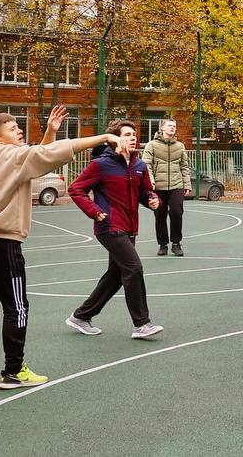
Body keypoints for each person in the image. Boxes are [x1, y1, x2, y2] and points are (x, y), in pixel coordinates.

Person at [0, 106, 128, 395]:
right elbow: (50, 153)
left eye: (18, 126)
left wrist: (50, 133)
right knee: (16, 308)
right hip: (1, 243)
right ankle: (14, 371)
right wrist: (105, 136)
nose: (19, 130)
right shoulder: (11, 155)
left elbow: (34, 160)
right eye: (12, 128)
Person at [66, 119, 165, 340]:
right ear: (115, 139)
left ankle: (81, 316)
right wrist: (93, 210)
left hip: (130, 228)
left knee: (116, 276)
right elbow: (76, 189)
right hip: (109, 226)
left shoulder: (139, 165)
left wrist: (152, 199)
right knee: (133, 268)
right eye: (127, 134)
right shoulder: (101, 164)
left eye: (134, 134)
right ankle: (142, 324)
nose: (133, 138)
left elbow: (146, 192)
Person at [142, 117, 191, 257]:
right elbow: (146, 165)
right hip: (158, 186)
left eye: (174, 126)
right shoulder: (151, 145)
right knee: (160, 215)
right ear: (162, 128)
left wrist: (186, 184)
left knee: (176, 212)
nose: (172, 128)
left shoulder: (180, 146)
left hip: (176, 185)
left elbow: (184, 167)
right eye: (169, 125)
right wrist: (150, 181)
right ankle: (162, 244)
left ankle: (176, 243)